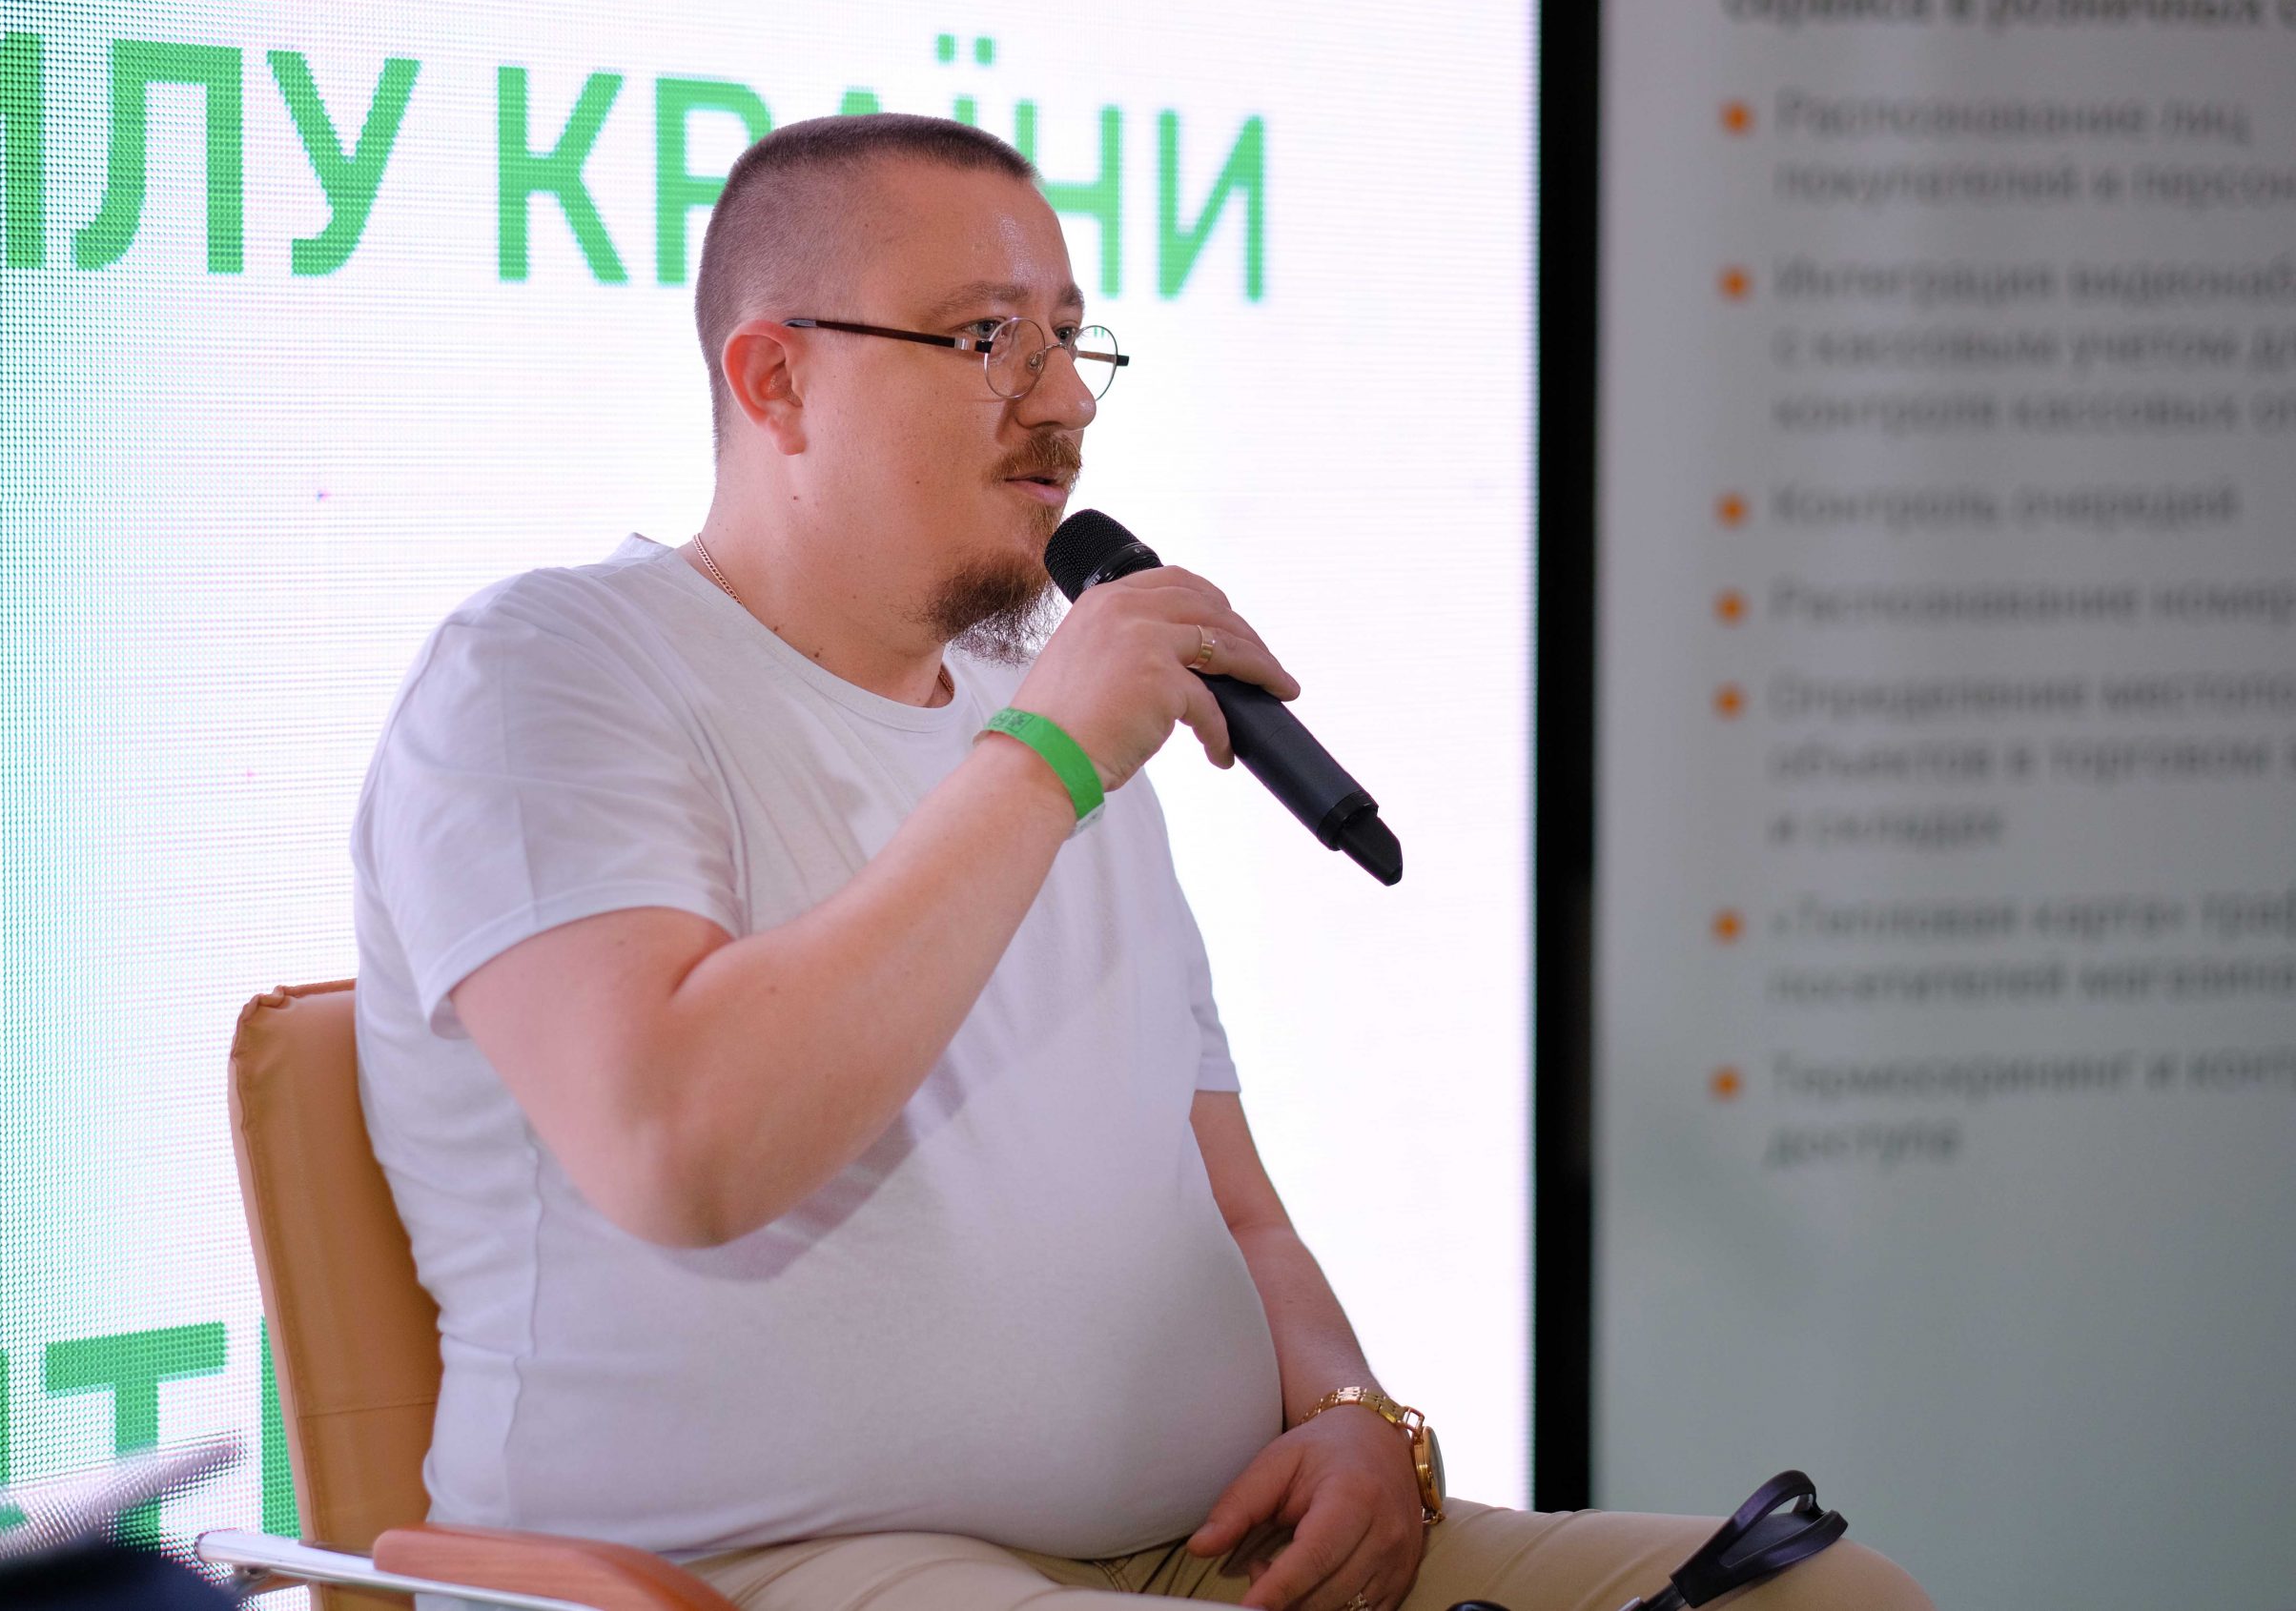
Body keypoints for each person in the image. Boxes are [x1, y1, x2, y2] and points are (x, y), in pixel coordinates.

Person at [349, 113, 1931, 1611]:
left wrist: (1352, 1413)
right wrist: (1044, 759)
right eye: (989, 338)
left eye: (1068, 338)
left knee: (1834, 1597)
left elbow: (1235, 1212)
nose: (1066, 404)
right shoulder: (551, 672)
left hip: (1194, 1550)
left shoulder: (1045, 722)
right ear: (777, 382)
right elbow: (678, 1150)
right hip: (750, 1570)